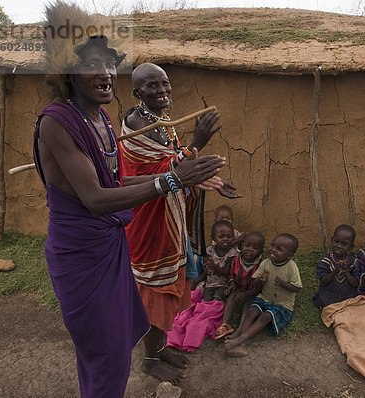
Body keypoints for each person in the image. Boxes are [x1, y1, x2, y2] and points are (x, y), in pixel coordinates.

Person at [33, 11, 226, 396]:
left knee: (118, 346)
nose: (105, 73)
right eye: (91, 64)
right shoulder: (57, 123)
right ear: (67, 73)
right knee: (105, 356)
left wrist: (187, 176)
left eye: (109, 63)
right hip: (82, 255)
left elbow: (120, 180)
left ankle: (147, 359)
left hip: (112, 246)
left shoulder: (101, 119)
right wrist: (173, 178)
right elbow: (95, 198)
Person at [120, 62, 236, 382]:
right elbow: (157, 175)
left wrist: (208, 179)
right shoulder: (136, 123)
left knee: (170, 291)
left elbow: (176, 168)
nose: (162, 91)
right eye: (152, 86)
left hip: (169, 216)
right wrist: (198, 141)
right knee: (156, 293)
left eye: (165, 84)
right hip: (149, 221)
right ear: (137, 93)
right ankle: (149, 359)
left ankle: (157, 350)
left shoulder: (160, 121)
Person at [224, 233, 302, 357]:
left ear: (289, 255)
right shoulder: (265, 263)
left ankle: (240, 340)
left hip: (281, 304)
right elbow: (255, 284)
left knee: (265, 316)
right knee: (251, 311)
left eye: (279, 249)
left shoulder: (291, 267)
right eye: (272, 245)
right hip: (264, 298)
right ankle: (241, 342)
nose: (273, 250)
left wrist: (283, 284)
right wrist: (261, 280)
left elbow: (297, 288)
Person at [214, 231, 265, 339]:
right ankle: (225, 324)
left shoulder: (261, 264)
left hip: (253, 292)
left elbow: (258, 288)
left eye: (255, 248)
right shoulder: (236, 260)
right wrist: (232, 284)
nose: (249, 249)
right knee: (232, 296)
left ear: (261, 251)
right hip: (239, 288)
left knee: (248, 306)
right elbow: (231, 275)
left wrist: (246, 294)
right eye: (247, 245)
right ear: (241, 246)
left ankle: (240, 330)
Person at [314, 225, 359, 309]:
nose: (339, 246)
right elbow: (323, 282)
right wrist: (336, 270)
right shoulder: (326, 261)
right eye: (336, 241)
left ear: (351, 246)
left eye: (344, 244)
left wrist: (345, 272)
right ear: (332, 240)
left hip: (348, 295)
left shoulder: (354, 262)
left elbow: (355, 283)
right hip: (328, 295)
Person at [193, 221, 239, 301]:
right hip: (210, 284)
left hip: (223, 284)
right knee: (206, 300)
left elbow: (227, 273)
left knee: (217, 298)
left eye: (229, 236)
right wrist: (206, 268)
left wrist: (214, 266)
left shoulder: (232, 254)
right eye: (221, 237)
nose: (225, 239)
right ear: (213, 238)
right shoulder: (209, 251)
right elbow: (206, 268)